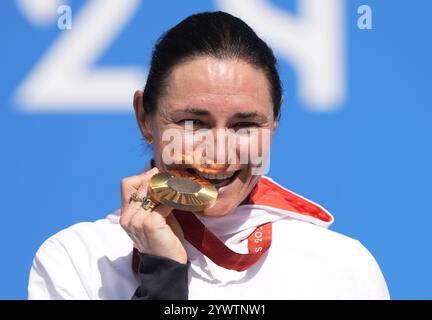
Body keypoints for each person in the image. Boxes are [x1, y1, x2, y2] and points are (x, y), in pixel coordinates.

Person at [28, 11, 389, 300]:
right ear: (144, 118)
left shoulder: (343, 267)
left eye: (244, 124)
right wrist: (163, 277)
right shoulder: (78, 261)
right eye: (192, 123)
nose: (218, 151)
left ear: (276, 119)